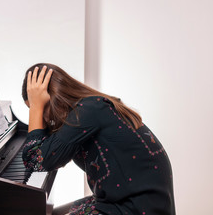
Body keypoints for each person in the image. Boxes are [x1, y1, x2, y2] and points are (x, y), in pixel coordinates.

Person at [21, 63, 175, 215]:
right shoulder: (90, 107)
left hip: (135, 207)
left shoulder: (88, 112)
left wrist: (36, 107)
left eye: (38, 109)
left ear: (52, 98)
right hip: (128, 201)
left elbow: (36, 160)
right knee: (51, 212)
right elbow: (48, 151)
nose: (41, 119)